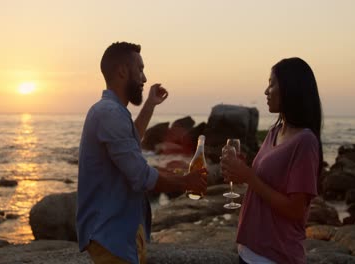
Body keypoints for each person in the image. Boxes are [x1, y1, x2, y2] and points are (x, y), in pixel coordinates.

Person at [76, 41, 207, 264]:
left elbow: (130, 142)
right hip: (110, 235)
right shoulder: (109, 113)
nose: (144, 78)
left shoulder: (114, 112)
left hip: (122, 232)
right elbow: (141, 176)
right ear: (122, 71)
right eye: (140, 69)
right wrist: (186, 181)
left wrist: (150, 105)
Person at [221, 57, 323, 264]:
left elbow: (296, 210)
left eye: (272, 83)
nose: (266, 91)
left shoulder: (305, 141)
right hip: (249, 250)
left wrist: (249, 176)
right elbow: (264, 183)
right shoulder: (275, 132)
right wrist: (240, 172)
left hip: (276, 255)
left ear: (290, 88)